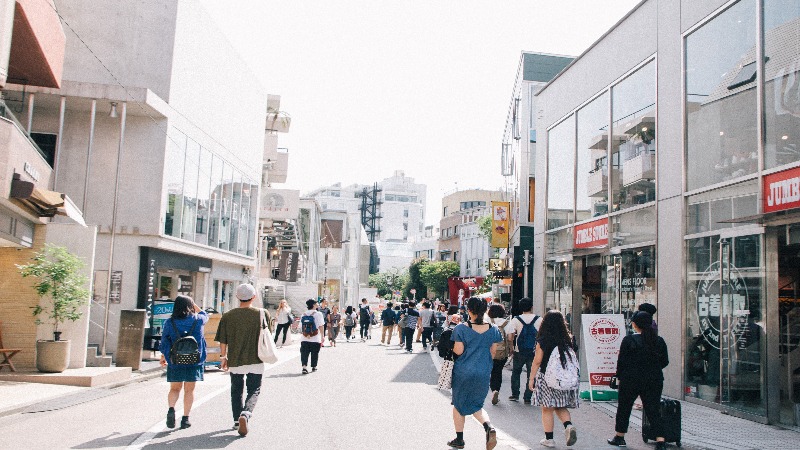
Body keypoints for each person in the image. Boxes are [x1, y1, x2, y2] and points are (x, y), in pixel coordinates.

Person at [608, 311, 668, 449]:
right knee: (653, 409)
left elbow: (621, 362)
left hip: (630, 379)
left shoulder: (629, 340)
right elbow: (664, 361)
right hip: (654, 379)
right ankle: (661, 441)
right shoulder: (659, 341)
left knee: (624, 407)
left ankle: (620, 437)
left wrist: (618, 376)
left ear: (635, 324)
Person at [215, 283, 270, 436]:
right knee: (254, 389)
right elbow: (268, 335)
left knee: (236, 390)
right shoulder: (262, 313)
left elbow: (223, 340)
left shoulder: (228, 316)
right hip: (256, 358)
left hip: (236, 358)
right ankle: (245, 414)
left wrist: (223, 357)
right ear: (254, 297)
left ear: (237, 297)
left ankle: (236, 419)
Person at [447, 297, 501, 450]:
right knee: (476, 404)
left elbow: (459, 351)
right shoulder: (493, 329)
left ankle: (459, 439)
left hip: (463, 371)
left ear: (469, 310)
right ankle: (488, 427)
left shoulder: (460, 329)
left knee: (458, 404)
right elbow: (493, 352)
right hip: (483, 371)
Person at [528, 310, 579, 448]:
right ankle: (568, 426)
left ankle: (549, 439)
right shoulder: (569, 339)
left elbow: (537, 361)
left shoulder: (543, 339)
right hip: (564, 378)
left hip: (547, 378)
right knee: (560, 406)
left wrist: (531, 378)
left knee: (547, 408)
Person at [159, 295, 208, 430]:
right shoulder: (198, 320)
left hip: (175, 361)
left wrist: (164, 356)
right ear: (191, 306)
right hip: (194, 361)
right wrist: (194, 304)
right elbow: (205, 313)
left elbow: (165, 341)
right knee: (189, 390)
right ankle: (185, 419)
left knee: (175, 388)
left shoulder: (170, 322)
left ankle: (171, 409)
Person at [504, 298, 542, 404]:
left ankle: (515, 394)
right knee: (532, 373)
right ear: (532, 307)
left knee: (516, 372)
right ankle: (527, 396)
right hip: (534, 351)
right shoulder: (539, 319)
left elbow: (510, 337)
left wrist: (511, 348)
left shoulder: (516, 320)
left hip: (519, 350)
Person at [487, 304, 510, 406]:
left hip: (489, 351)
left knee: (492, 372)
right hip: (502, 352)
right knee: (498, 372)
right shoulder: (506, 323)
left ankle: (493, 390)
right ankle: (496, 390)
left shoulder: (488, 322)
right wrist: (511, 349)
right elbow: (510, 338)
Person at [300, 299, 325, 374]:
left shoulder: (303, 314)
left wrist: (306, 333)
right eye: (316, 303)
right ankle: (314, 366)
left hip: (304, 338)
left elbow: (300, 327)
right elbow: (321, 326)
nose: (317, 304)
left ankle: (304, 367)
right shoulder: (318, 314)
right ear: (313, 305)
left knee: (304, 353)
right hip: (315, 338)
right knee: (315, 353)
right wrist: (322, 336)